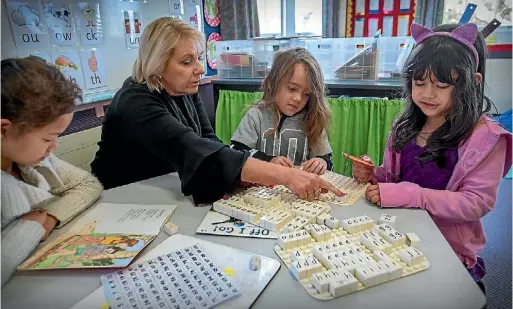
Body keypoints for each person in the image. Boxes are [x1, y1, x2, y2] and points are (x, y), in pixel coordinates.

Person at [90, 17, 342, 204]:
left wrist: (244, 176)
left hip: (164, 192)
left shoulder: (184, 90)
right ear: (157, 65)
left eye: (198, 58)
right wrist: (286, 176)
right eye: (187, 62)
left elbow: (209, 142)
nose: (200, 69)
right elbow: (194, 149)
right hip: (123, 201)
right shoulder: (135, 103)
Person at [352, 23, 512, 293]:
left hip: (447, 250)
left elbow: (476, 203)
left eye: (441, 85)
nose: (427, 94)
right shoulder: (406, 126)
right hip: (398, 235)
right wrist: (374, 175)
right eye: (419, 83)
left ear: (471, 83)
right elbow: (397, 180)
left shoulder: (484, 139)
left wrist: (412, 195)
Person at [1, 57, 104, 285]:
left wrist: (50, 217)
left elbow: (89, 184)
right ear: (3, 129)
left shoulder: (30, 159)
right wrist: (29, 229)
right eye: (48, 138)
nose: (54, 147)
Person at [230, 47, 333, 175]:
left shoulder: (312, 120)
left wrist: (321, 163)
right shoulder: (256, 116)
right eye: (292, 88)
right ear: (272, 83)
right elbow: (236, 154)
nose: (298, 98)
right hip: (260, 191)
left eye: (307, 94)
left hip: (298, 191)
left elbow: (327, 161)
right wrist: (269, 161)